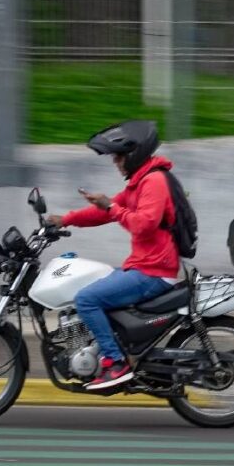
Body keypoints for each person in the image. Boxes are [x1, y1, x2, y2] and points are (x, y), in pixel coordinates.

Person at [48, 121, 178, 390]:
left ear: (134, 154)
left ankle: (115, 363)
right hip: (143, 266)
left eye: (118, 156)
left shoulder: (153, 182)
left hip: (153, 271)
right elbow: (105, 212)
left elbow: (143, 225)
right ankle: (104, 350)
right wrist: (66, 219)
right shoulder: (141, 181)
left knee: (86, 299)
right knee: (89, 286)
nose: (115, 162)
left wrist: (111, 207)